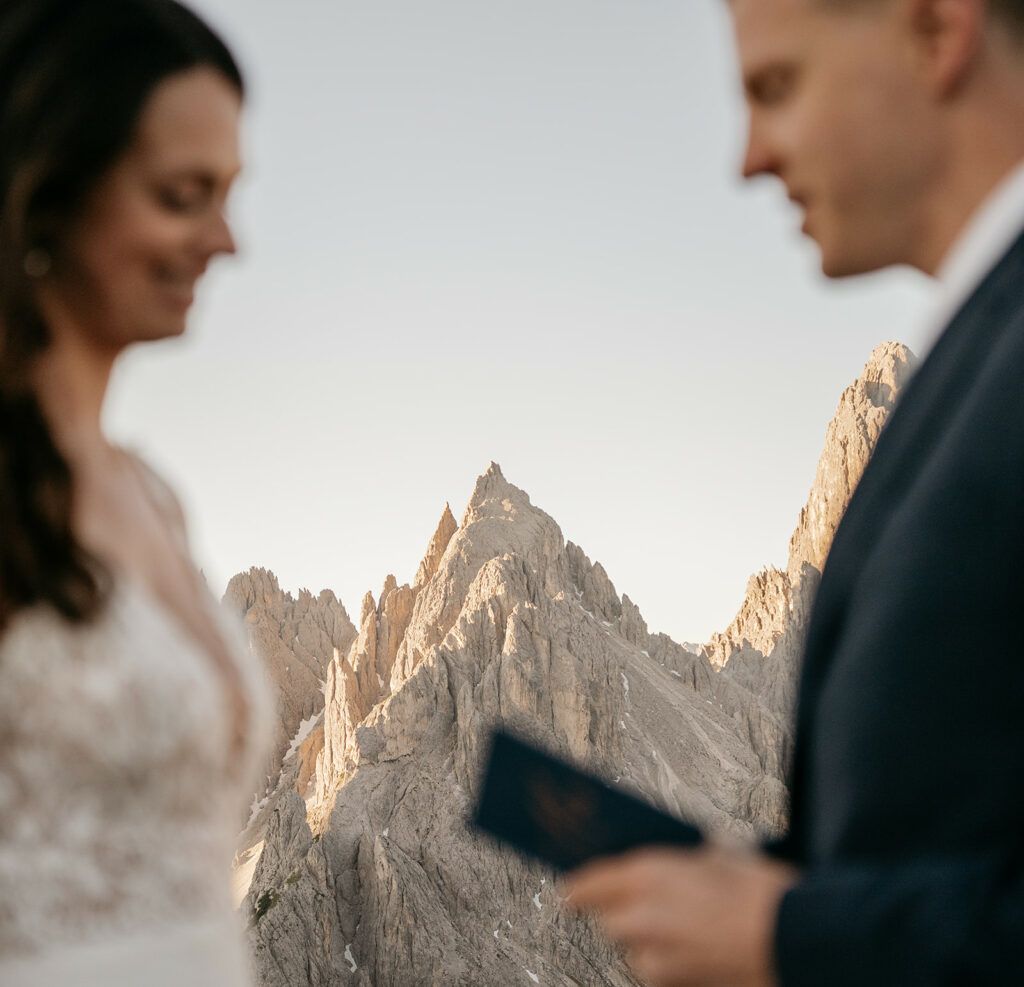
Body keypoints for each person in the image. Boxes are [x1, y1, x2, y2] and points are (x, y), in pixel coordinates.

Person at [566, 0, 1024, 983]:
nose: (747, 158)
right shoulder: (976, 339)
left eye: (776, 87)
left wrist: (790, 935)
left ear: (936, 34)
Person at [0, 1, 271, 985]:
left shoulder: (152, 494)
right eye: (180, 195)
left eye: (226, 195)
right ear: (51, 192)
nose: (224, 241)